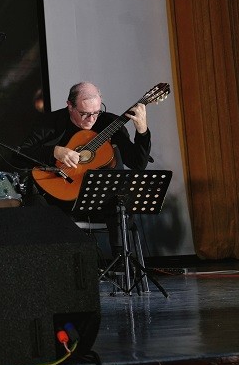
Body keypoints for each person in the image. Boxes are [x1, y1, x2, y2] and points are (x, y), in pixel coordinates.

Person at [18, 82, 151, 250]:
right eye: (84, 113)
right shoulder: (50, 123)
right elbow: (20, 155)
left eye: (96, 112)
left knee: (119, 204)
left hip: (100, 202)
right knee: (36, 206)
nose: (92, 119)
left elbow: (138, 163)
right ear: (70, 106)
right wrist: (54, 151)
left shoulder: (110, 123)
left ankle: (120, 261)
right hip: (60, 200)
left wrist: (142, 131)